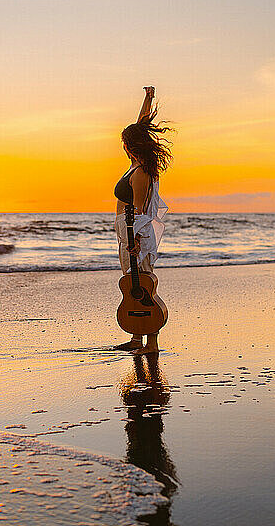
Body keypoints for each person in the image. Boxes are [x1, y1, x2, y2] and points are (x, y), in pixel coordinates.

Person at [113, 86, 173, 354]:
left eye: (125, 141)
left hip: (134, 233)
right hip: (126, 232)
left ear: (130, 146)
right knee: (134, 284)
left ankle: (152, 344)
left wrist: (134, 240)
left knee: (142, 286)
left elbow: (137, 210)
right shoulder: (136, 165)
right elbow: (140, 127)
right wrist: (147, 100)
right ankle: (137, 339)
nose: (122, 145)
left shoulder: (140, 174)